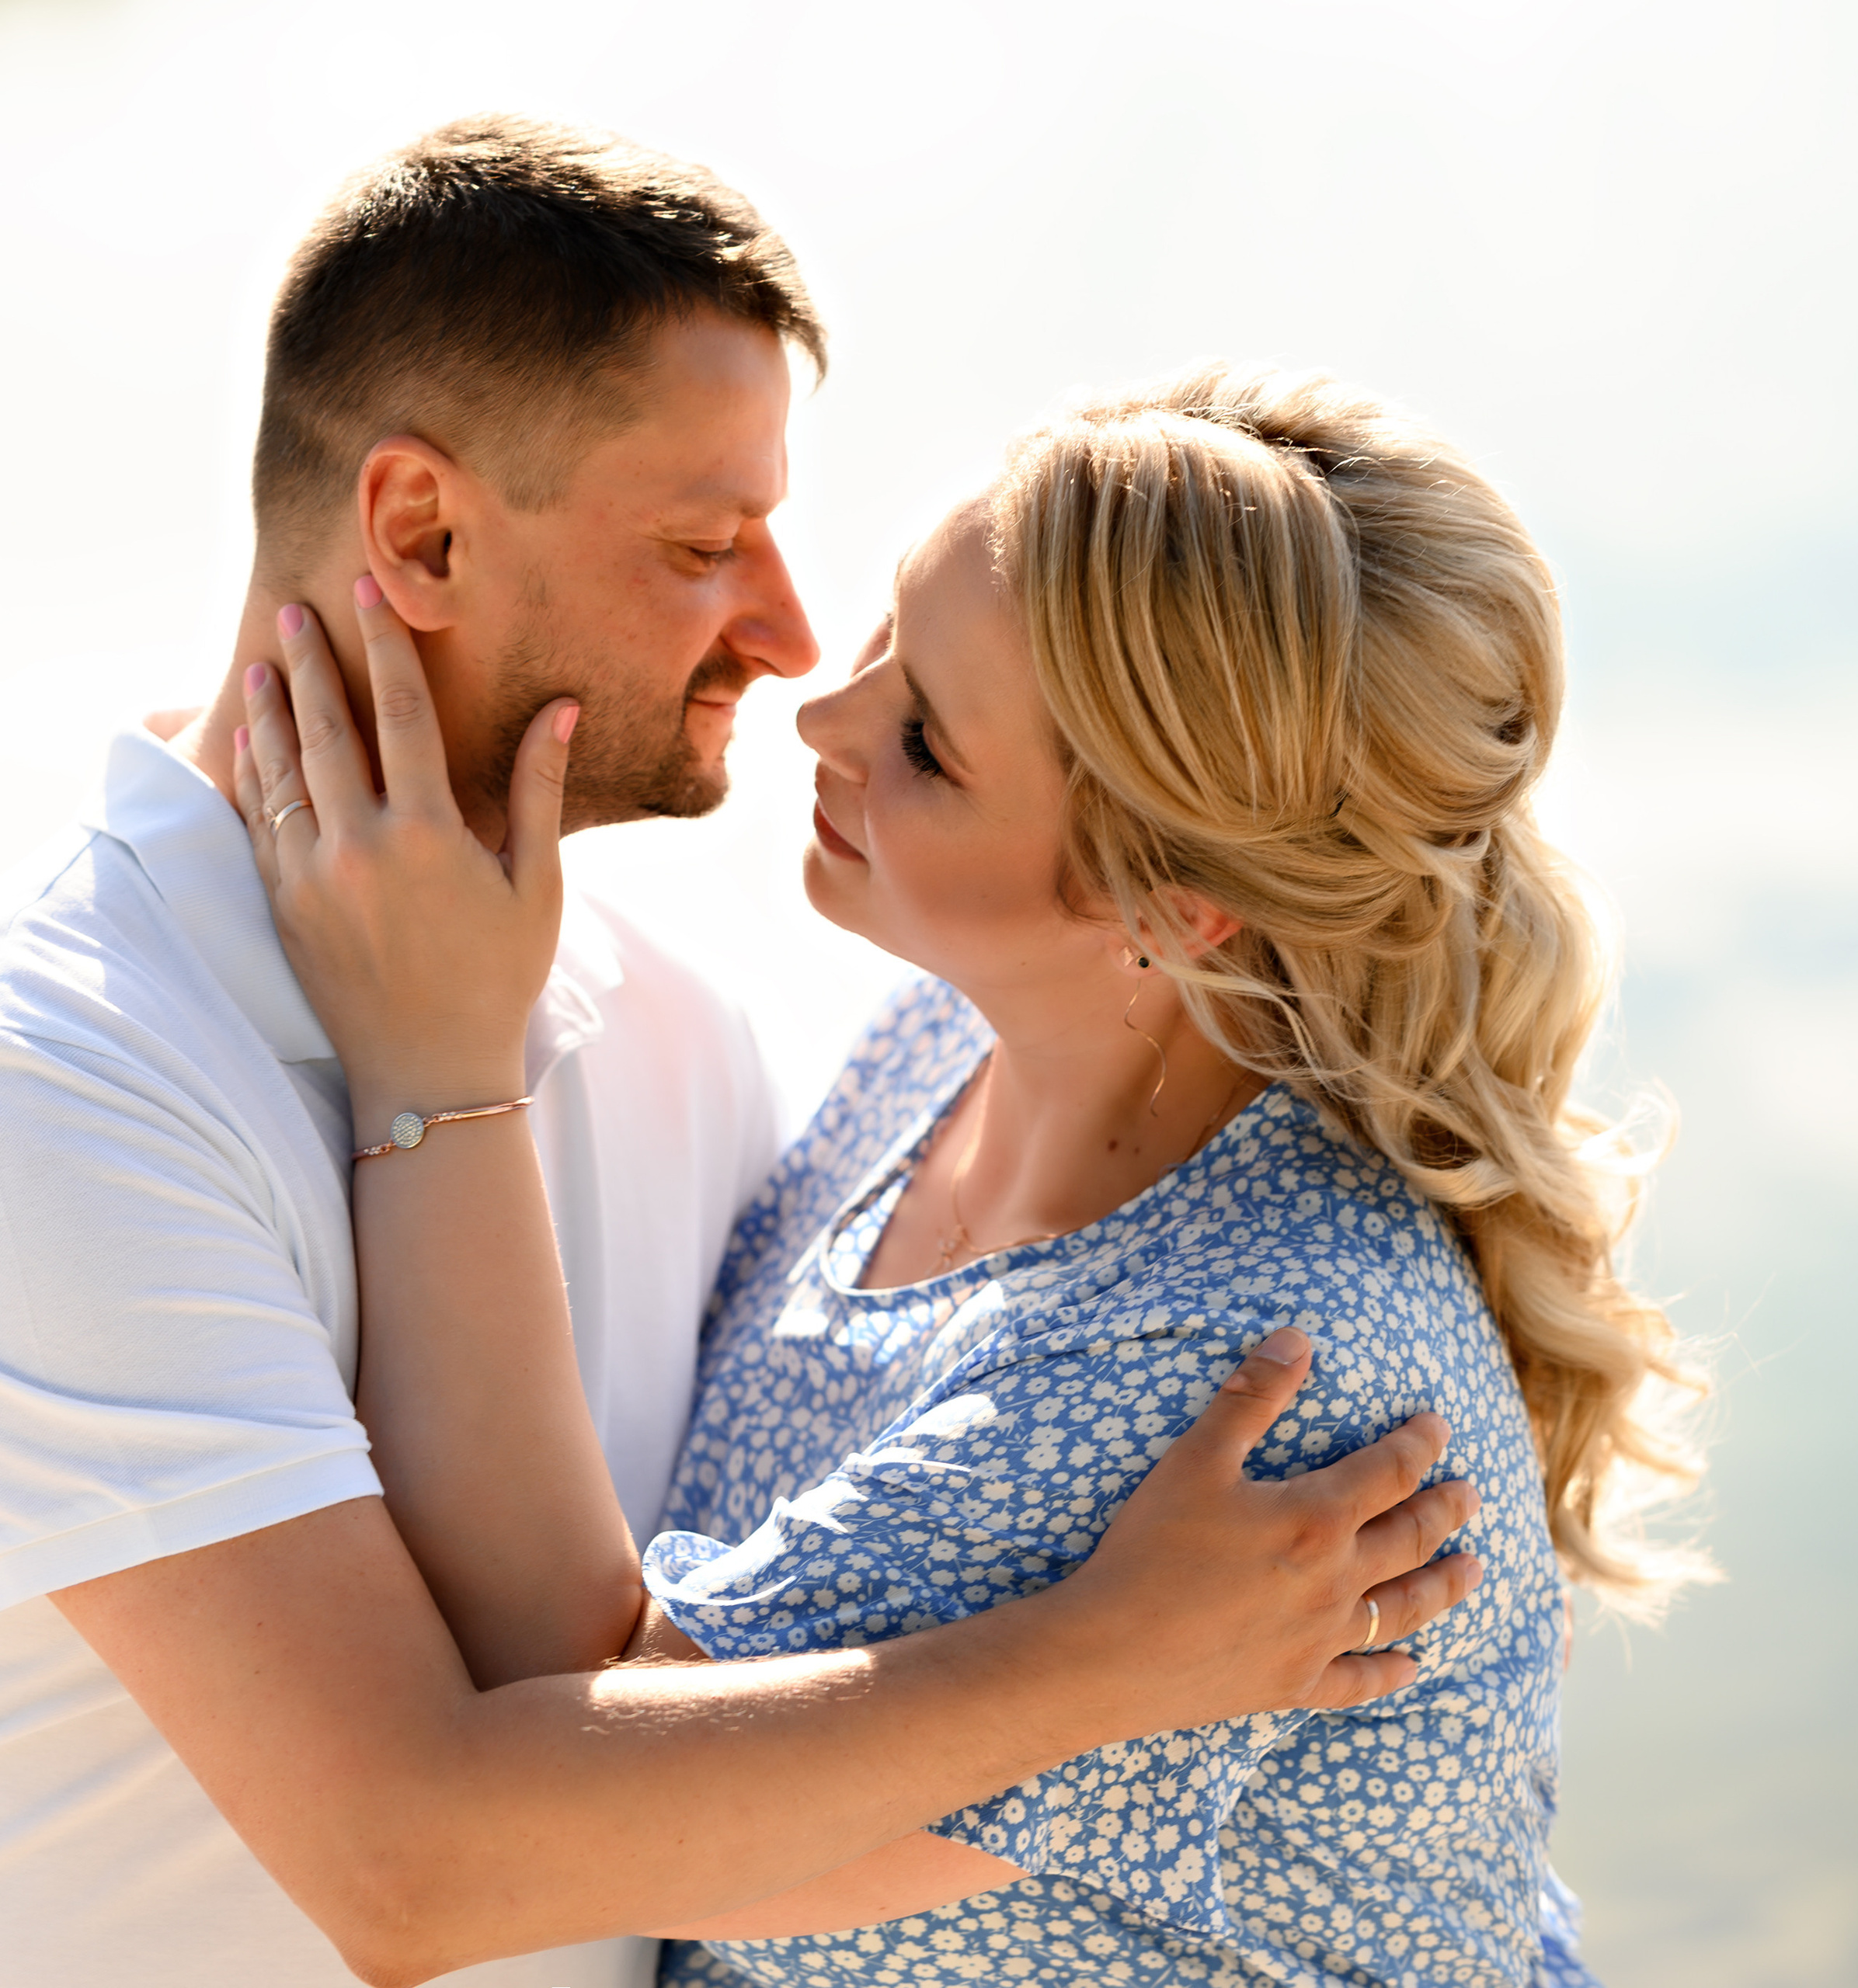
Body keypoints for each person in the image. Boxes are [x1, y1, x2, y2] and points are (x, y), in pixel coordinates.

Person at [0, 119, 1479, 1988]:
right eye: (707, 544)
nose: (793, 640)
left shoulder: (671, 1022)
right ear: (423, 533)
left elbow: (699, 1694)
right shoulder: (39, 1083)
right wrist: (1100, 1657)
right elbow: (408, 1859)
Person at [234, 363, 1705, 1986]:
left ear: (1177, 900)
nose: (822, 715)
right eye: (885, 643)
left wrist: (436, 1069)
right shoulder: (944, 1046)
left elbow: (586, 1772)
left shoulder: (1235, 1377)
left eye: (926, 738)